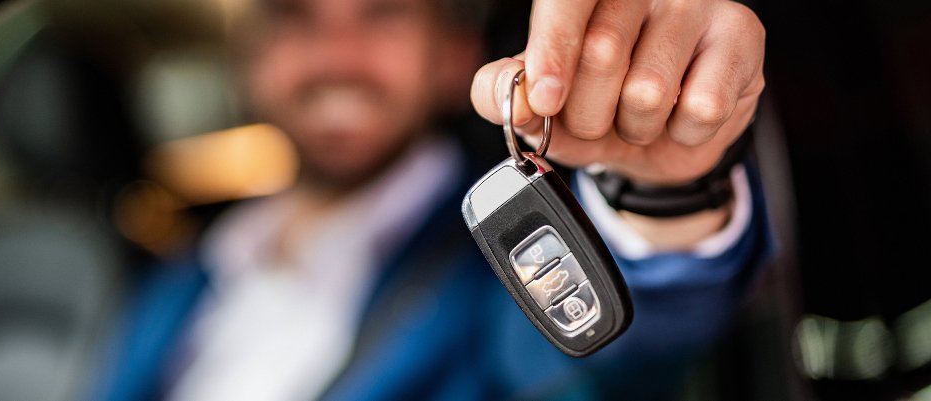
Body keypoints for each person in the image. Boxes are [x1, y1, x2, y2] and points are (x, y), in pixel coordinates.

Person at [91, 0, 770, 399]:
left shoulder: (488, 274)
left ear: (453, 56)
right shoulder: (180, 266)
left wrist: (661, 190)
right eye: (295, 14)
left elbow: (610, 357)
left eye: (382, 11)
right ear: (250, 60)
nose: (337, 56)